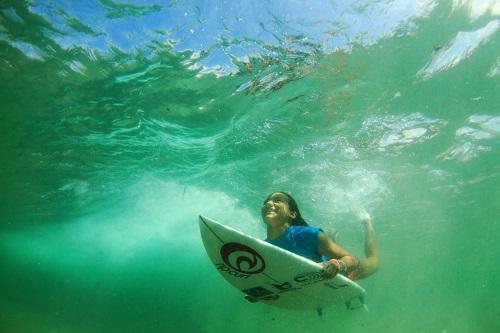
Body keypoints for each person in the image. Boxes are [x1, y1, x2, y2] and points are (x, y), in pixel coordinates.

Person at [262, 191, 379, 281]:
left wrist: (338, 265)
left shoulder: (308, 234)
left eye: (277, 200)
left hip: (344, 271)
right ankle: (333, 238)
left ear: (292, 214)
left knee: (374, 262)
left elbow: (348, 258)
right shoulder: (263, 247)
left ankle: (368, 223)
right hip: (312, 277)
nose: (268, 203)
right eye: (266, 202)